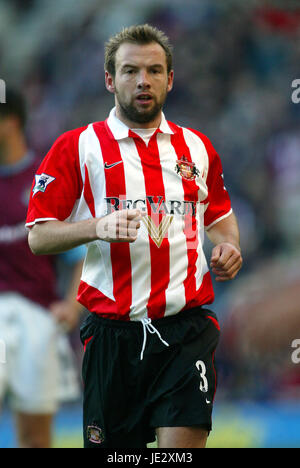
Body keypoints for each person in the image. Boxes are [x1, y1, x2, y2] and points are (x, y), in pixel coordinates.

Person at [26, 24, 243, 449]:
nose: (143, 80)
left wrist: (230, 246)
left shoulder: (197, 148)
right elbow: (38, 236)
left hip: (185, 334)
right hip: (112, 339)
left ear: (170, 79)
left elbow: (221, 216)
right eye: (130, 71)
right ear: (110, 80)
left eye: (154, 70)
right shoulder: (78, 148)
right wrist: (96, 227)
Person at [0, 89, 84, 448]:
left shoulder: (43, 179)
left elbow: (78, 252)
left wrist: (73, 304)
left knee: (35, 436)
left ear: (12, 121)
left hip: (38, 316)